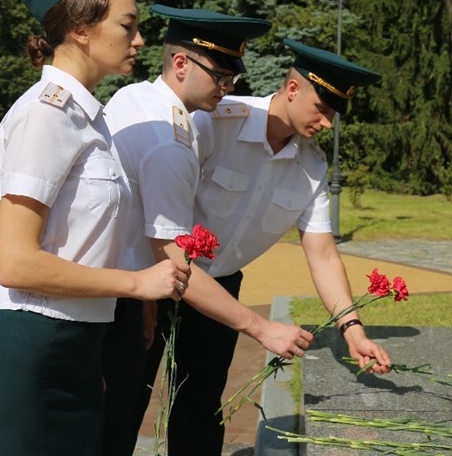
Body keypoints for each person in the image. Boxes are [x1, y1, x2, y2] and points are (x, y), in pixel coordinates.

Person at [0, 0, 191, 456]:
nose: (138, 39)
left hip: (78, 352)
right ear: (82, 28)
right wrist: (137, 283)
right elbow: (16, 262)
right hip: (27, 358)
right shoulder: (47, 114)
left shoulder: (91, 119)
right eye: (127, 26)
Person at [127, 38, 393, 455]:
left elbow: (321, 253)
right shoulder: (216, 121)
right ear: (292, 90)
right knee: (128, 397)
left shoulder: (312, 166)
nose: (327, 123)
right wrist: (144, 287)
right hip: (157, 277)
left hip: (219, 292)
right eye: (322, 109)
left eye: (334, 115)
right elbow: (155, 207)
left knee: (200, 409)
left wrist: (352, 329)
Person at [101, 4, 272, 456]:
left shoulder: (134, 97)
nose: (228, 88)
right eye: (220, 76)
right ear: (181, 64)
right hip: (119, 299)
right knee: (115, 419)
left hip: (120, 287)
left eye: (232, 79)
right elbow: (172, 258)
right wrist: (260, 328)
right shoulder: (171, 143)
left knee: (112, 417)